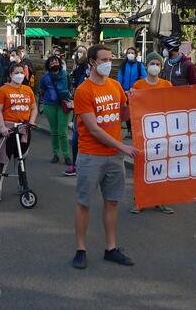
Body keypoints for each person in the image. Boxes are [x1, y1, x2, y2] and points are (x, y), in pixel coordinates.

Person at [72, 44, 138, 270]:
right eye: (104, 59)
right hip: (91, 156)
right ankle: (80, 249)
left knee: (112, 202)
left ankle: (111, 248)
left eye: (111, 58)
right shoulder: (84, 91)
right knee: (84, 203)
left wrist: (132, 101)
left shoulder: (115, 86)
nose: (109, 63)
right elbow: (94, 129)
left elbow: (122, 115)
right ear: (92, 62)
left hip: (114, 157)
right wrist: (124, 147)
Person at [128, 52, 174, 215]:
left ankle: (161, 200)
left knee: (162, 166)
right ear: (146, 66)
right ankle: (139, 201)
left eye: (158, 64)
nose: (154, 66)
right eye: (152, 63)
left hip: (163, 131)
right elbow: (132, 107)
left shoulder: (167, 85)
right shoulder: (138, 85)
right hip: (143, 132)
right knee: (143, 166)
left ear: (161, 67)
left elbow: (173, 106)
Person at [0, 63, 38, 201]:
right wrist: (2, 127)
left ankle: (22, 186)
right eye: (16, 72)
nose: (20, 75)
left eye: (22, 72)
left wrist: (32, 121)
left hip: (24, 129)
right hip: (8, 128)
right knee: (2, 160)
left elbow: (33, 108)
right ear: (10, 74)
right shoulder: (3, 90)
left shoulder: (28, 90)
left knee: (21, 159)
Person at [40, 55, 73, 165]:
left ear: (59, 63)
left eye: (56, 62)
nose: (54, 64)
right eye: (51, 63)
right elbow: (42, 90)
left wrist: (69, 98)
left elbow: (70, 87)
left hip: (63, 104)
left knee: (62, 131)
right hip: (49, 105)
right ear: (48, 65)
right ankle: (55, 154)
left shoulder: (65, 74)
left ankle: (66, 155)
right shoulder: (45, 77)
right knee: (53, 131)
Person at [65, 46, 89, 176]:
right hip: (79, 109)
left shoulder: (86, 66)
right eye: (78, 51)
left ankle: (82, 166)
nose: (79, 53)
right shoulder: (77, 64)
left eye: (81, 51)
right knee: (75, 140)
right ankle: (75, 165)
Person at [117, 47, 146, 139]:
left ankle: (136, 131)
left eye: (132, 53)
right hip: (125, 92)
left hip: (135, 92)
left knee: (135, 112)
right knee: (127, 112)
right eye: (129, 52)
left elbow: (144, 77)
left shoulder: (139, 65)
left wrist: (137, 87)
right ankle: (130, 131)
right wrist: (120, 89)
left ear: (135, 54)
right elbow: (120, 78)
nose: (130, 54)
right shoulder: (123, 65)